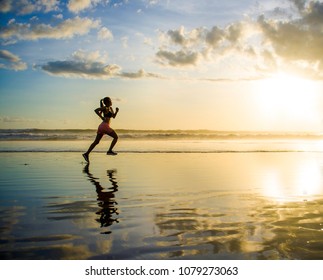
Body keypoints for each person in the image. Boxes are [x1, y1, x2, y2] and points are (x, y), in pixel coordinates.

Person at [83, 97, 119, 163]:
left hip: (102, 127)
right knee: (116, 137)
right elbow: (96, 110)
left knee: (96, 142)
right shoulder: (105, 108)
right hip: (104, 126)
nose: (111, 102)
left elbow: (113, 116)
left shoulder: (110, 108)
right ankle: (109, 151)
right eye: (110, 101)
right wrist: (102, 117)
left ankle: (86, 154)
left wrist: (116, 111)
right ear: (107, 102)